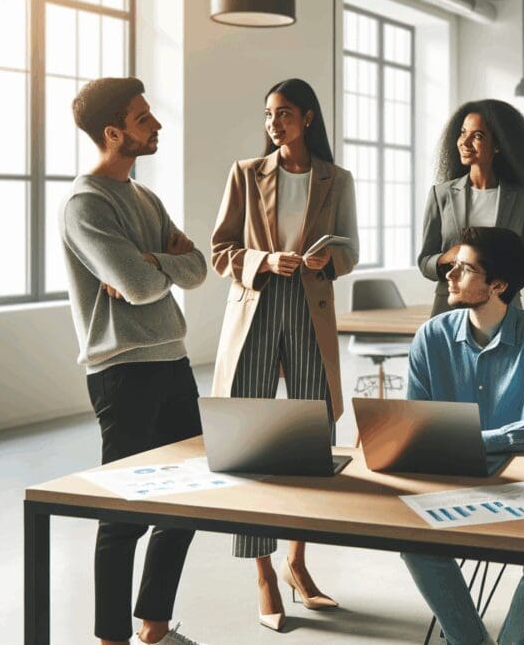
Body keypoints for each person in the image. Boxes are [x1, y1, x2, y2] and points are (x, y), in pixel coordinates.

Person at [61, 77, 209, 645]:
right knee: (125, 510)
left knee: (190, 495)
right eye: (144, 119)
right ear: (113, 132)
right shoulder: (85, 204)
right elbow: (139, 284)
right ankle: (110, 640)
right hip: (121, 372)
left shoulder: (147, 200)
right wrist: (153, 267)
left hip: (172, 359)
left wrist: (153, 265)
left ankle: (153, 626)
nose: (157, 125)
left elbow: (196, 270)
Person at [209, 78, 359, 632]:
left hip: (310, 311)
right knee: (249, 444)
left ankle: (298, 562)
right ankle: (264, 573)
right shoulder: (246, 174)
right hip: (256, 306)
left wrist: (327, 261)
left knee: (309, 441)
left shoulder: (335, 179)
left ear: (309, 118)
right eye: (269, 113)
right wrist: (265, 262)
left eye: (286, 113)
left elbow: (350, 248)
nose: (274, 123)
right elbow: (221, 248)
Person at [401, 226, 524, 645]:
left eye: (464, 269)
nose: (449, 275)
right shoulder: (432, 335)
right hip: (455, 482)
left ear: (498, 285)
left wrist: (473, 440)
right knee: (414, 543)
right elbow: (415, 424)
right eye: (452, 266)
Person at [418, 99, 524, 315]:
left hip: (503, 308)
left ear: (498, 144)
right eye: (462, 133)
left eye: (477, 136)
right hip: (448, 309)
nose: (464, 142)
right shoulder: (441, 195)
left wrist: (501, 271)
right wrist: (448, 256)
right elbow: (425, 262)